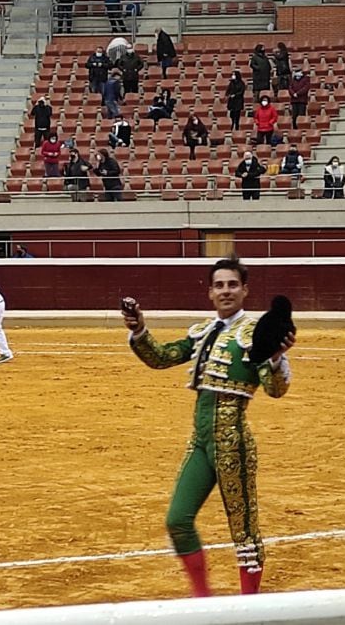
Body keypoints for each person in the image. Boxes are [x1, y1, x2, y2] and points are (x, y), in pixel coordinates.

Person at [124, 254, 294, 597]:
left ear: (245, 290)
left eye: (233, 284)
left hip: (233, 443)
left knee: (243, 530)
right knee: (177, 520)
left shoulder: (255, 334)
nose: (226, 291)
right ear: (210, 293)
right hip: (201, 441)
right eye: (219, 285)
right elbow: (161, 357)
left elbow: (275, 389)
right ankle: (203, 600)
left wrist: (276, 357)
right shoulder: (204, 331)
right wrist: (139, 328)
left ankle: (250, 608)